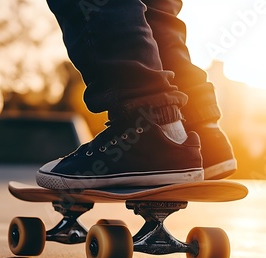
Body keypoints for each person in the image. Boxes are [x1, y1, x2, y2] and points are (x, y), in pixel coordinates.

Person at [37, 0, 236, 189]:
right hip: (193, 123)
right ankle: (198, 129)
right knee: (154, 9)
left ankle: (146, 129)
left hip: (144, 126)